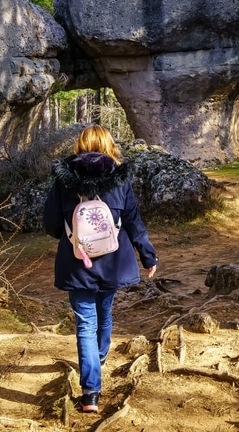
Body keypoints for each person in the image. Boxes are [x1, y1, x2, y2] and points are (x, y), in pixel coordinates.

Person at [43, 125, 159, 414]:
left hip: (76, 261)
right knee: (104, 313)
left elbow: (50, 221)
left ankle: (91, 393)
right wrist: (148, 257)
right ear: (109, 146)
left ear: (80, 146)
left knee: (85, 323)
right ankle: (100, 359)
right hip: (112, 262)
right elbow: (133, 221)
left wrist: (71, 237)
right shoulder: (119, 178)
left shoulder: (64, 180)